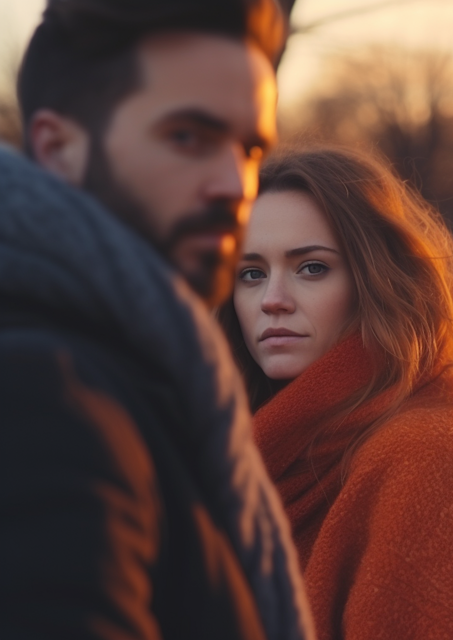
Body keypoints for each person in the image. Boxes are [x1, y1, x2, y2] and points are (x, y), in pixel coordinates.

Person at [0, 2, 314, 639]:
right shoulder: (44, 391)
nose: (235, 183)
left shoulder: (133, 365)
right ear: (57, 148)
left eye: (249, 148)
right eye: (188, 138)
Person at [218, 145, 453, 640]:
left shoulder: (426, 454)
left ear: (374, 281)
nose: (272, 300)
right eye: (251, 273)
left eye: (311, 268)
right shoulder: (243, 449)